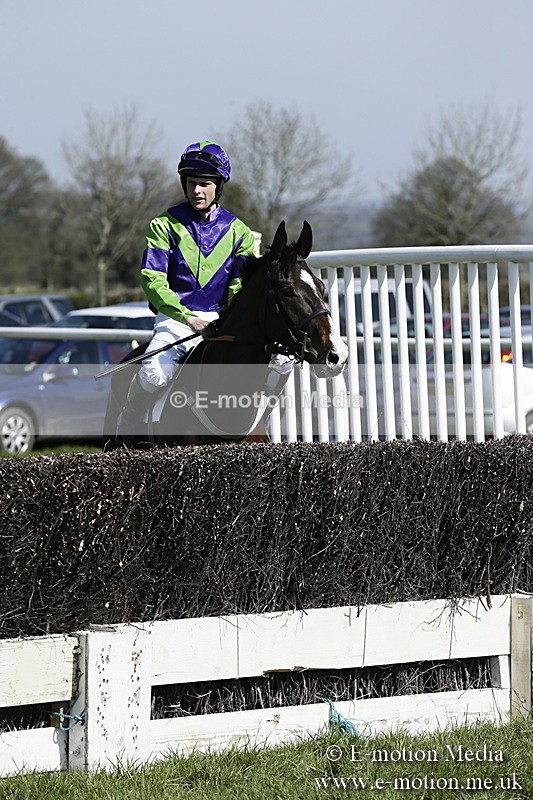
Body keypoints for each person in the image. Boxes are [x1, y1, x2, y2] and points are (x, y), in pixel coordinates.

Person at [116, 141, 257, 439]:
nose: (197, 191)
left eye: (204, 184)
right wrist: (188, 318)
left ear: (218, 187)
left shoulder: (240, 233)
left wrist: (226, 319)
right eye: (192, 183)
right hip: (175, 322)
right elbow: (152, 280)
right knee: (154, 374)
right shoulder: (163, 225)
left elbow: (237, 285)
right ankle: (126, 426)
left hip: (219, 323)